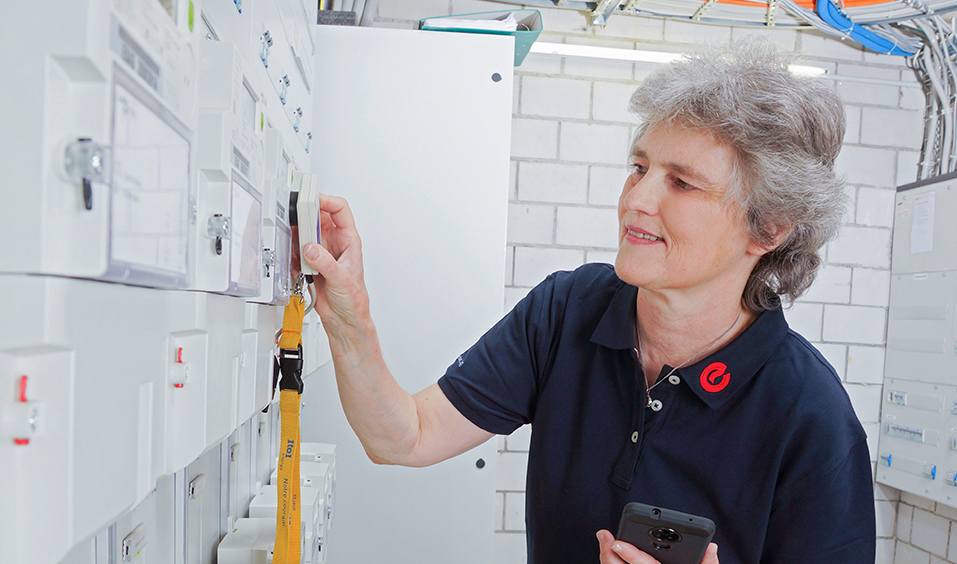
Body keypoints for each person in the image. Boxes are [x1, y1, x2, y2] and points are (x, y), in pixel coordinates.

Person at [301, 39, 876, 563]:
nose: (636, 199)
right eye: (640, 167)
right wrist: (351, 321)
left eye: (681, 182)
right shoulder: (568, 310)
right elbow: (404, 435)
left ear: (769, 229)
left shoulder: (811, 416)